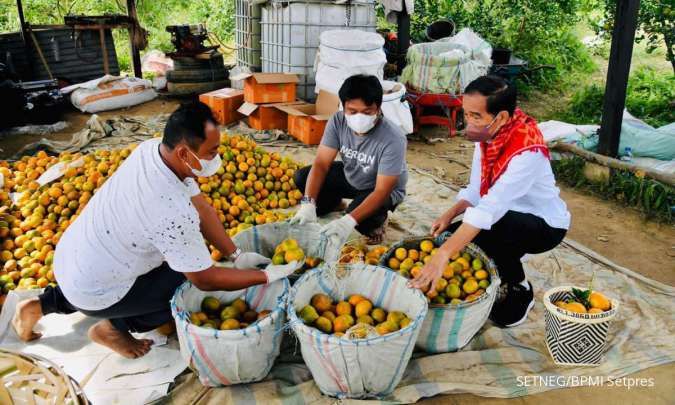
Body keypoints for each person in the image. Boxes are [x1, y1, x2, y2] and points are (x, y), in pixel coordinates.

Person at [12, 103, 297, 358]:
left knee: (114, 270)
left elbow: (203, 209)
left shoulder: (152, 151)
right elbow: (205, 280)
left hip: (75, 258)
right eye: (212, 151)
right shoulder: (171, 211)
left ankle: (40, 305)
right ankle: (113, 327)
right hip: (95, 285)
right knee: (181, 290)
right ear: (185, 152)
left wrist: (235, 255)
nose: (217, 157)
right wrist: (264, 276)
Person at [409, 75, 571, 327]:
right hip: (503, 215)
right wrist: (450, 214)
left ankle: (519, 287)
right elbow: (476, 189)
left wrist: (442, 256)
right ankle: (501, 257)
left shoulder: (527, 151)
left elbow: (489, 208)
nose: (468, 122)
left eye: (476, 116)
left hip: (544, 227)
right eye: (466, 113)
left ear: (502, 117)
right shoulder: (489, 136)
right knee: (454, 234)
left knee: (481, 231)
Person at [290, 74, 408, 245]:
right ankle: (335, 203)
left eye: (367, 112)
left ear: (379, 108)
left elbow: (382, 190)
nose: (359, 117)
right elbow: (322, 164)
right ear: (343, 107)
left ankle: (379, 219)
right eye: (352, 111)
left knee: (361, 224)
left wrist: (349, 221)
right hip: (353, 174)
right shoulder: (338, 121)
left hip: (380, 189)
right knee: (302, 178)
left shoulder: (393, 137)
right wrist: (308, 204)